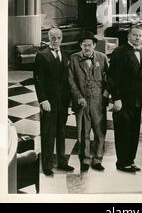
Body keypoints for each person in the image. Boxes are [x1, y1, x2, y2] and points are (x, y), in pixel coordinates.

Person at [108, 25, 142, 173]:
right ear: (129, 36)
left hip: (137, 100)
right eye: (135, 35)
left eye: (140, 35)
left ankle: (130, 160)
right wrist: (116, 99)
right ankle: (122, 162)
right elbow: (113, 78)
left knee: (134, 132)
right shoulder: (119, 52)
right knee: (123, 132)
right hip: (123, 100)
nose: (138, 38)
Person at [34, 27, 74, 176]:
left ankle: (62, 162)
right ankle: (47, 165)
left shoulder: (66, 55)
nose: (56, 40)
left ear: (61, 38)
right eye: (53, 38)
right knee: (48, 133)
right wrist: (43, 99)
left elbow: (68, 80)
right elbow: (38, 80)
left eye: (58, 38)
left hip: (62, 101)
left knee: (61, 132)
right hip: (48, 101)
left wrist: (69, 101)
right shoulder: (42, 56)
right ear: (48, 39)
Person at [68, 31, 109, 172]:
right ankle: (84, 159)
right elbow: (70, 80)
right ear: (80, 46)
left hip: (98, 101)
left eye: (89, 45)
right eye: (84, 45)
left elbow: (109, 79)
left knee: (100, 131)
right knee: (83, 133)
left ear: (94, 45)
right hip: (82, 102)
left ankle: (97, 159)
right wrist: (78, 96)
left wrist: (105, 94)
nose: (87, 47)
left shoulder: (102, 58)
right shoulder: (73, 58)